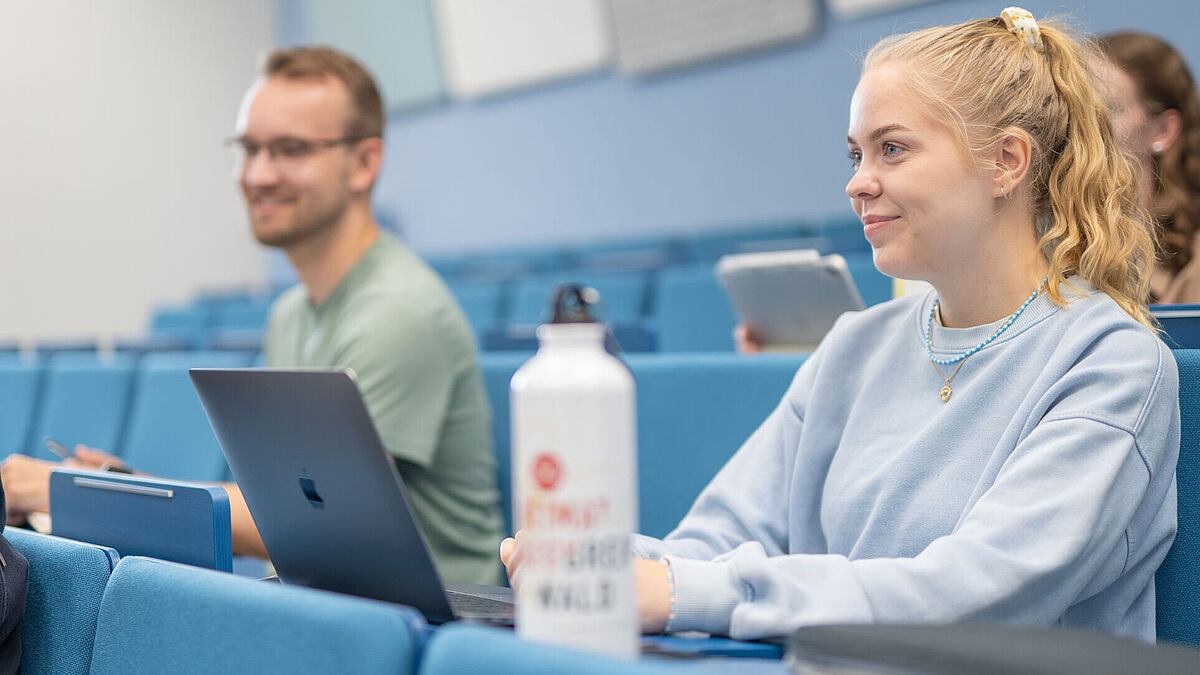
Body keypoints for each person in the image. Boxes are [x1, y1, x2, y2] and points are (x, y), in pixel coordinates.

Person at [503, 9, 1179, 640]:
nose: (858, 181)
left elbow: (978, 592)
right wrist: (587, 560)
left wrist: (682, 590)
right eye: (856, 154)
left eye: (892, 149)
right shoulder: (860, 343)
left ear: (1006, 161)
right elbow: (718, 536)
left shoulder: (1112, 361)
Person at [2, 47, 505, 586]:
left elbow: (323, 521)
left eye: (289, 150)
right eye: (249, 149)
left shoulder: (399, 313)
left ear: (364, 164)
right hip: (322, 603)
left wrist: (74, 491)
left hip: (428, 627)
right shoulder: (290, 314)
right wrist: (124, 485)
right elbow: (293, 502)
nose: (257, 174)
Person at [1092, 32, 1200, 303]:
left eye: (1108, 109)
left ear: (1162, 130)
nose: (1084, 125)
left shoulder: (1194, 268)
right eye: (1076, 106)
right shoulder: (1041, 247)